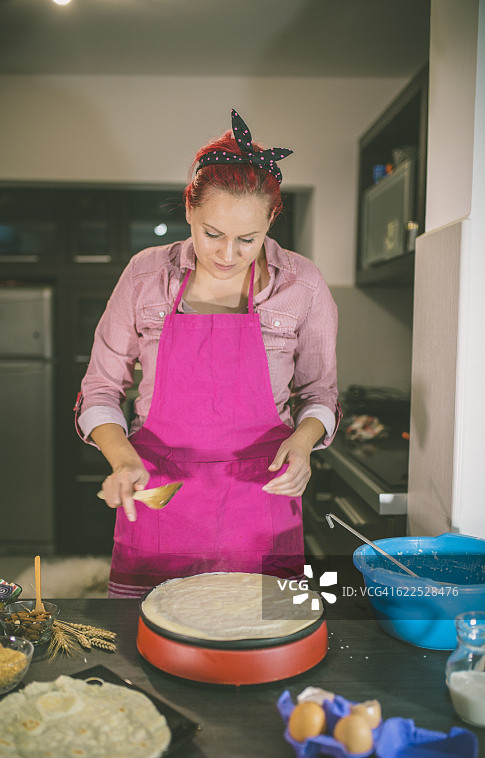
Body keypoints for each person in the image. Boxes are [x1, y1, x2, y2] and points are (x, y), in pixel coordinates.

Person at [75, 109, 341, 599]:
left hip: (261, 502)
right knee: (148, 636)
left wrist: (304, 443)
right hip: (160, 499)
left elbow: (320, 393)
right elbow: (99, 391)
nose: (227, 255)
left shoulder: (302, 284)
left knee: (260, 635)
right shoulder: (145, 276)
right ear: (189, 212)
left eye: (247, 239)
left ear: (271, 221)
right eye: (212, 233)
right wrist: (122, 459)